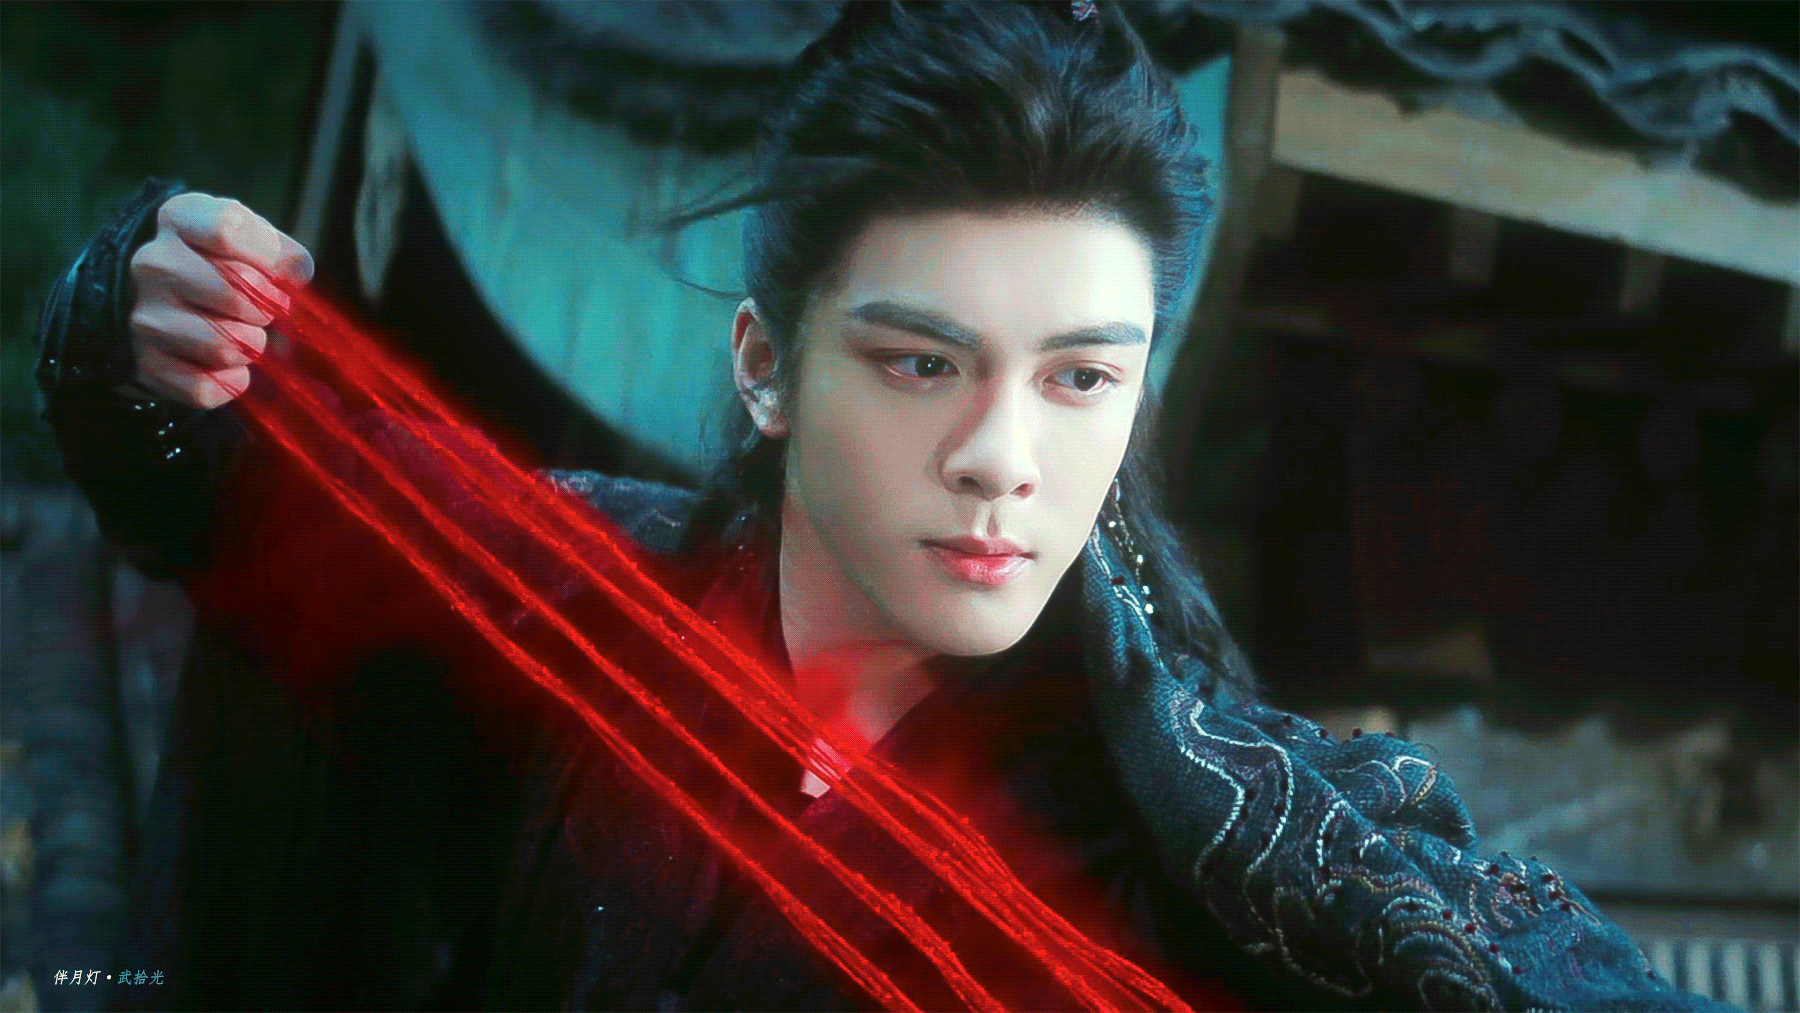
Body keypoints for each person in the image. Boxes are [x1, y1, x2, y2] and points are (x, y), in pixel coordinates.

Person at [35, 2, 1734, 1010]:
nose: (1003, 455)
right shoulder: (586, 595)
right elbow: (245, 514)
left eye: (1081, 378)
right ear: (767, 367)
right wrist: (146, 324)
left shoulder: (1211, 825)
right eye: (924, 363)